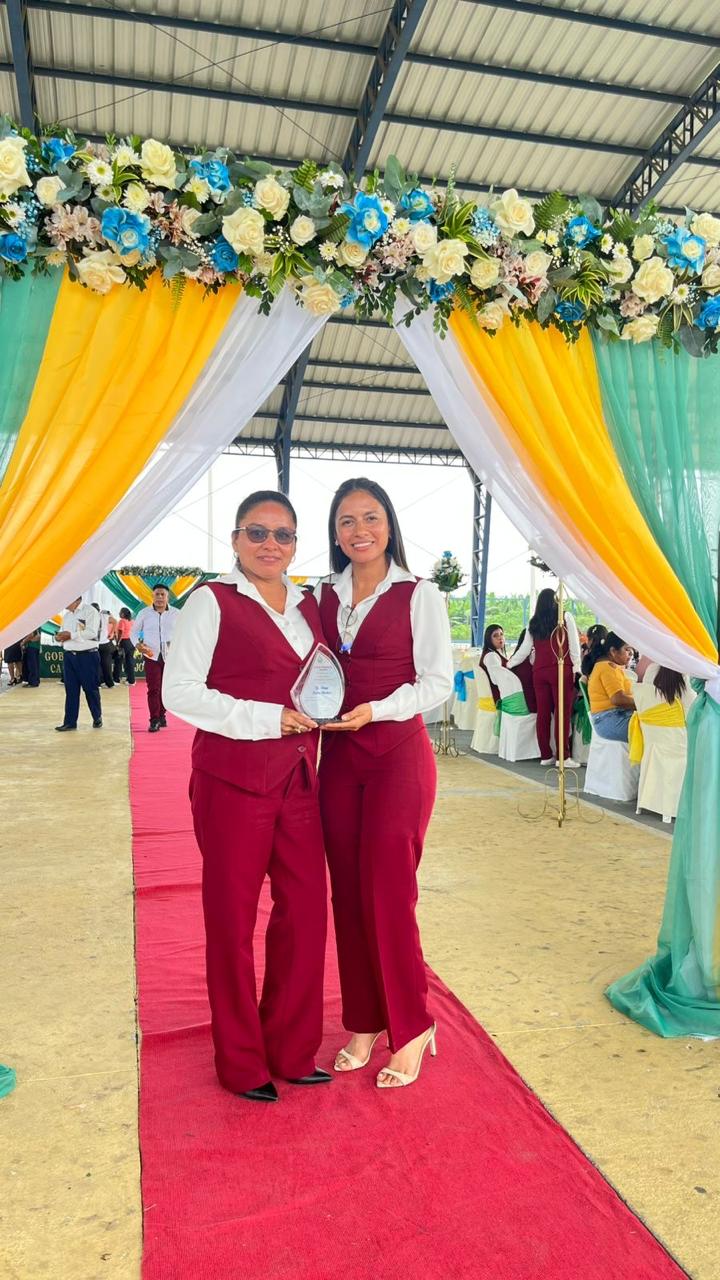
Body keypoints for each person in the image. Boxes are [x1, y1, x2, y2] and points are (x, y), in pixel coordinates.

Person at [163, 490, 330, 1104]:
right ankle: (239, 1060)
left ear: (296, 545)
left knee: (306, 913)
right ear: (235, 539)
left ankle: (291, 1047)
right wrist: (266, 718)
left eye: (283, 535)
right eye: (257, 532)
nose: (270, 544)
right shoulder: (210, 600)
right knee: (231, 921)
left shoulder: (308, 606)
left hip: (301, 780)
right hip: (232, 782)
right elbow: (180, 691)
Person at [317, 478, 454, 1090]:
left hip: (398, 755)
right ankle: (365, 1020)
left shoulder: (419, 594)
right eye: (347, 520)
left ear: (390, 524)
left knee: (390, 893)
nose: (360, 530)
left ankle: (414, 1024)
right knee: (347, 894)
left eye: (370, 517)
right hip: (339, 758)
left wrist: (378, 709)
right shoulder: (323, 595)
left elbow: (437, 683)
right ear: (335, 532)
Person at [508, 588, 581, 766]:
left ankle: (545, 755)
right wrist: (577, 668)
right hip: (561, 670)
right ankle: (563, 757)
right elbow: (574, 646)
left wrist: (509, 664)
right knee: (562, 713)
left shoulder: (533, 623)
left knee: (543, 714)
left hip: (539, 672)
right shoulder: (565, 617)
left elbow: (524, 650)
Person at [131, 584, 178, 732]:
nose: (159, 597)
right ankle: (154, 720)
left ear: (168, 597)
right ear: (152, 596)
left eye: (163, 594)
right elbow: (134, 632)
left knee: (166, 689)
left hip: (171, 657)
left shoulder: (177, 614)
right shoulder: (144, 613)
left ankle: (162, 715)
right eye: (157, 594)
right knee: (153, 689)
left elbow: (184, 632)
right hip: (151, 655)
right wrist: (137, 645)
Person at [54, 598, 102, 731]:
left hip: (87, 655)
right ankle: (70, 722)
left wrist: (70, 635)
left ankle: (97, 717)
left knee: (90, 688)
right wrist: (58, 637)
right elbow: (62, 633)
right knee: (71, 690)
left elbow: (92, 632)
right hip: (69, 656)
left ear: (77, 599)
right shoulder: (67, 616)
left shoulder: (90, 611)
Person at [585, 630, 635, 740]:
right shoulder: (607, 667)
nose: (631, 654)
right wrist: (642, 703)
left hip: (613, 716)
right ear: (613, 651)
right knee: (651, 727)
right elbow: (618, 699)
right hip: (609, 719)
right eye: (627, 650)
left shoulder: (610, 665)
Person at [479, 623, 506, 704]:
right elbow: (496, 680)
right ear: (489, 639)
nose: (500, 637)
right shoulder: (491, 656)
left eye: (501, 634)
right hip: (498, 699)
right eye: (495, 636)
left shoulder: (494, 653)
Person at [92, 603, 117, 689]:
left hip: (94, 644)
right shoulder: (104, 616)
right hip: (105, 643)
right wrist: (112, 633)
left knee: (96, 664)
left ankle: (98, 683)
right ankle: (109, 683)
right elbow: (115, 621)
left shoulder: (89, 617)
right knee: (106, 664)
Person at [115, 608, 136, 684]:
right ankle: (131, 680)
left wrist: (117, 642)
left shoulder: (122, 621)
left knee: (119, 661)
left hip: (124, 642)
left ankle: (116, 679)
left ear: (123, 614)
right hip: (132, 642)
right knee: (129, 661)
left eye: (120, 612)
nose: (119, 613)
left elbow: (120, 632)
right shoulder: (132, 621)